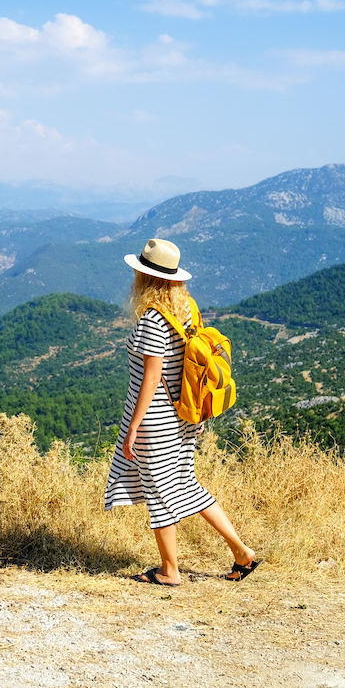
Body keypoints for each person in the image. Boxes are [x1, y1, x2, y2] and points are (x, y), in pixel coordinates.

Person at [105, 238, 258, 586]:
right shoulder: (187, 310)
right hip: (184, 415)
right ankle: (241, 553)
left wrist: (133, 426)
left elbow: (152, 377)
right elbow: (193, 367)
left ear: (145, 279)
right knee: (184, 483)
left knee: (159, 490)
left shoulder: (152, 321)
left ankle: (170, 571)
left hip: (155, 420)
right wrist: (198, 414)